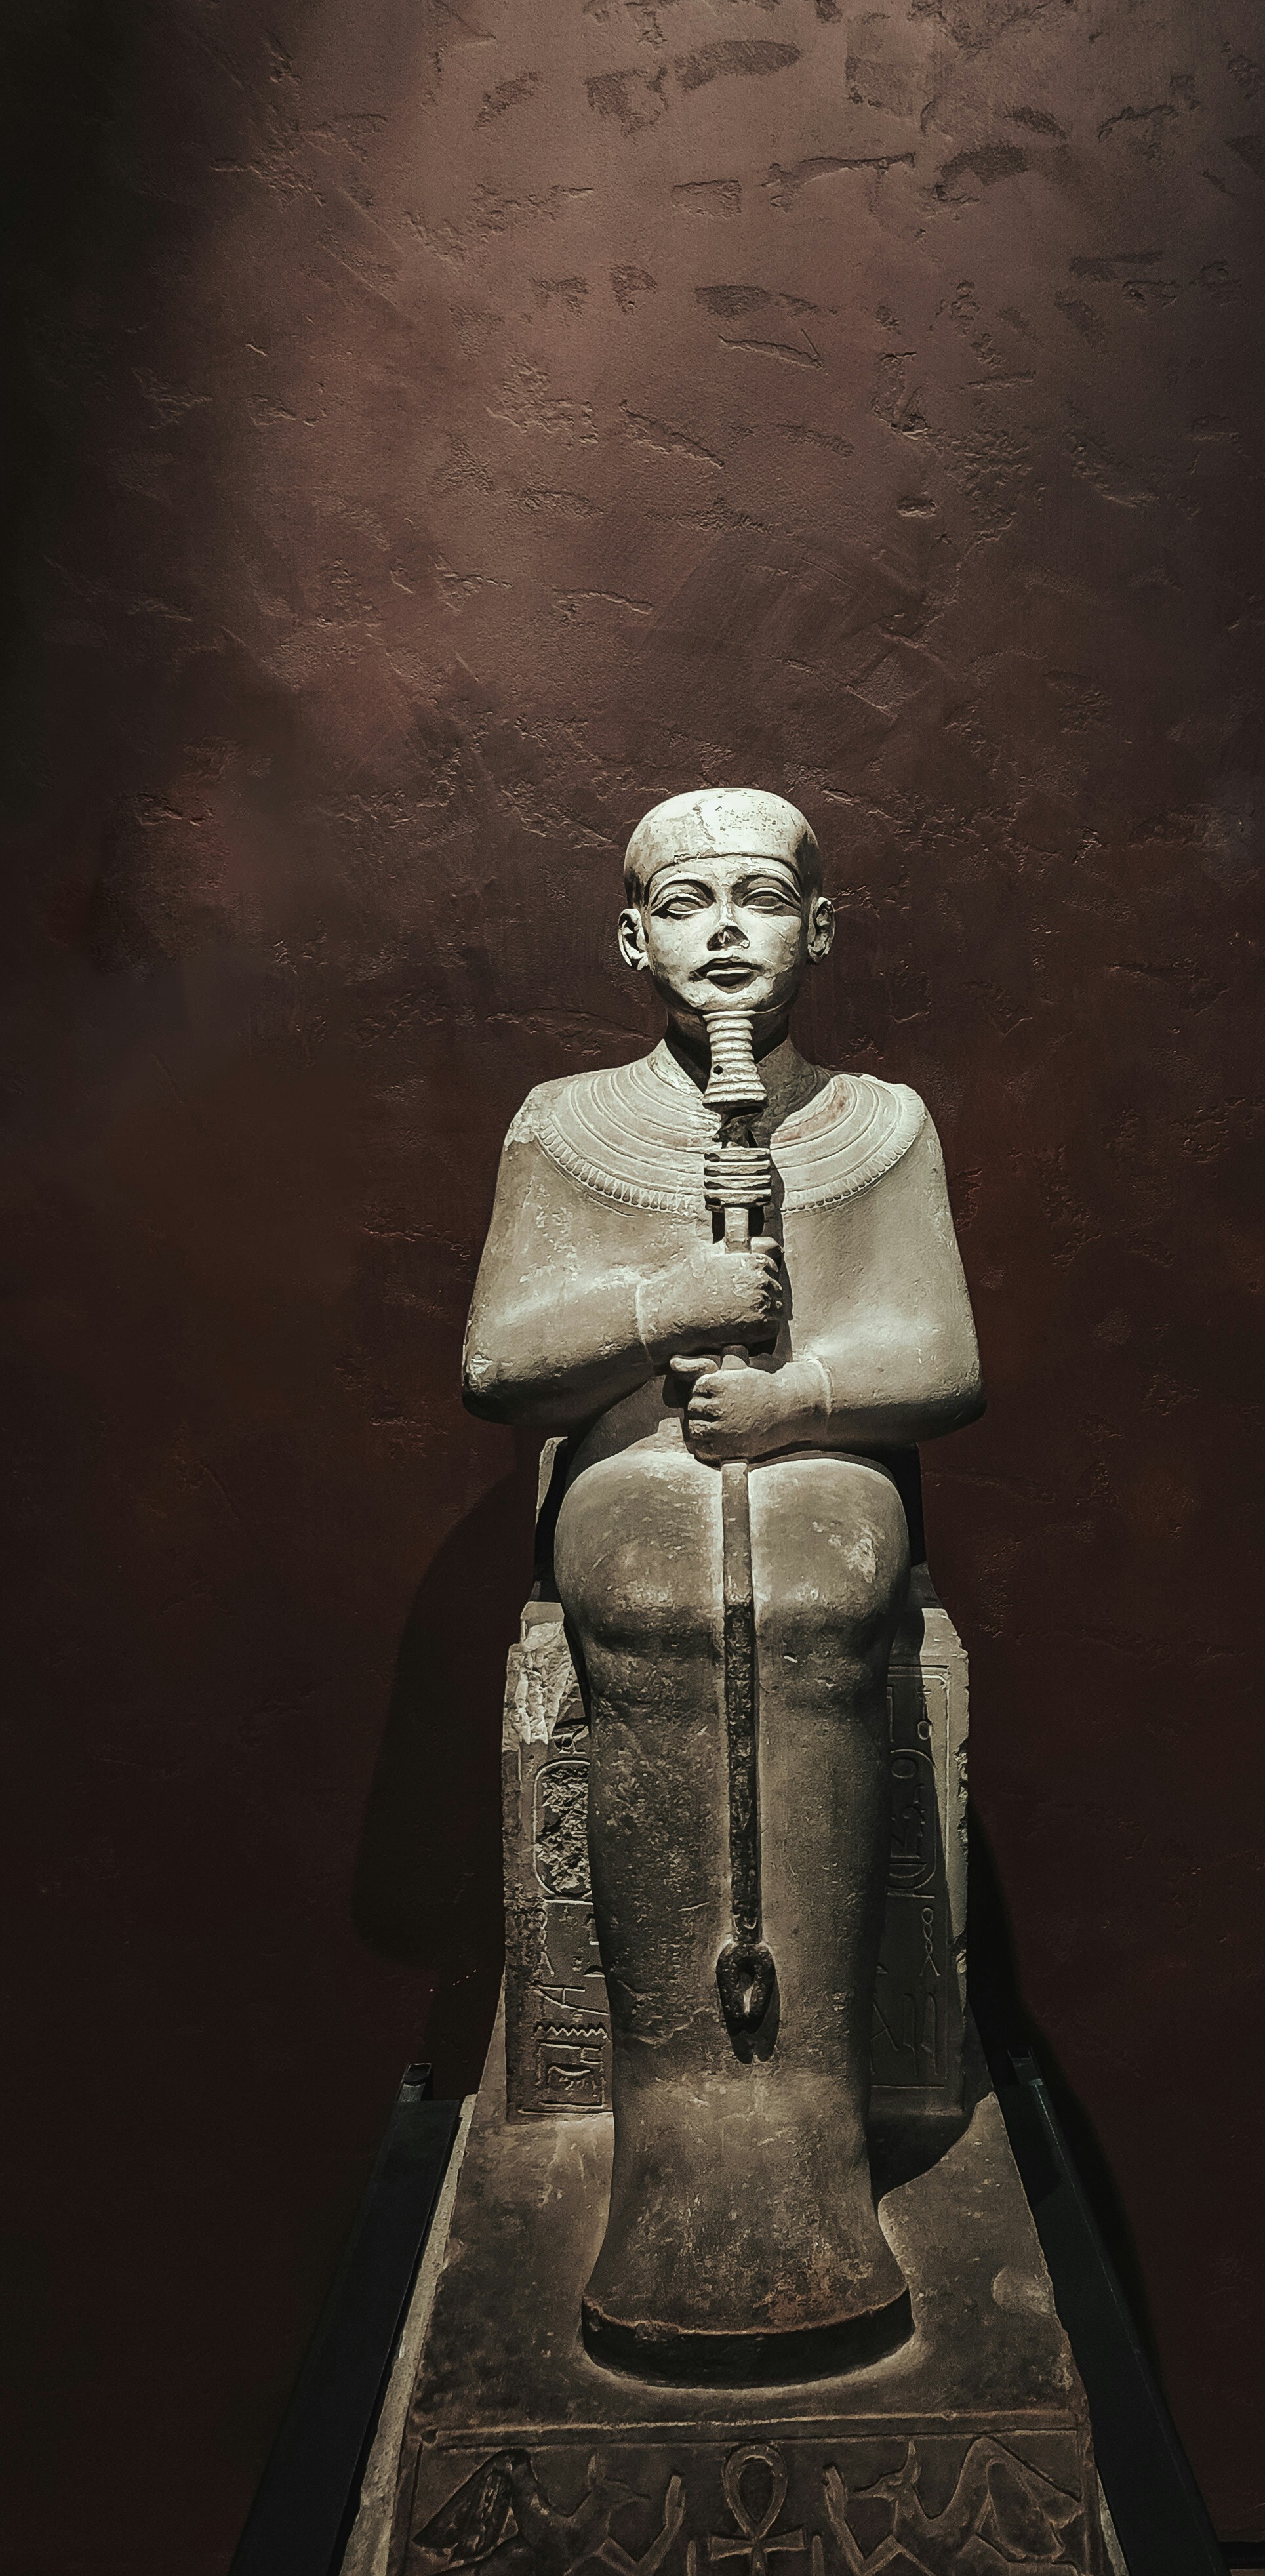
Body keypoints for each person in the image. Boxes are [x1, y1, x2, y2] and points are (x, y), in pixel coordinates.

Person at [463, 787, 982, 2379]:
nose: (727, 931)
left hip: (815, 1459)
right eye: (687, 905)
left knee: (817, 1584)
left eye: (760, 898)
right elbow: (498, 1361)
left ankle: (805, 2110)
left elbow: (943, 1358)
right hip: (632, 1471)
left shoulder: (881, 1124)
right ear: (633, 942)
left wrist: (798, 1395)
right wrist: (661, 1302)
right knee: (658, 1582)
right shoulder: (565, 1123)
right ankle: (679, 2108)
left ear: (818, 928)